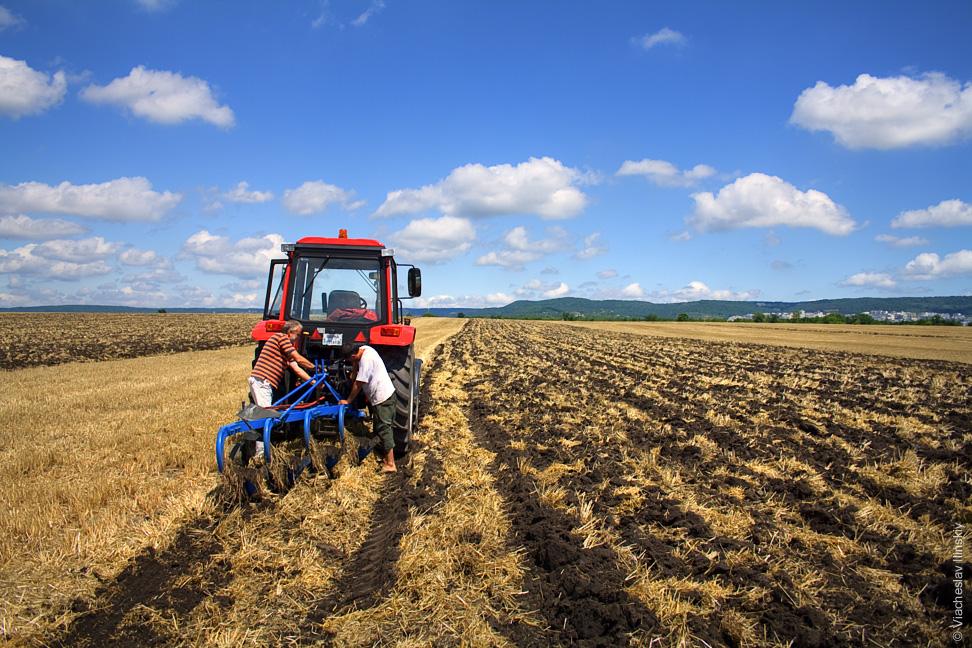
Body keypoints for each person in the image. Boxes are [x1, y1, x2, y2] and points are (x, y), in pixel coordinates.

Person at [339, 344, 398, 473]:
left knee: (384, 428)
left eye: (351, 359)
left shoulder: (366, 361)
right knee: (379, 427)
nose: (351, 362)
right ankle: (383, 456)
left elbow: (359, 384)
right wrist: (354, 370)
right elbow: (356, 364)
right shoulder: (365, 349)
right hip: (381, 396)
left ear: (354, 355)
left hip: (382, 397)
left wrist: (348, 401)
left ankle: (390, 464)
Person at [249, 319, 315, 408]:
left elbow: (297, 369)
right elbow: (298, 359)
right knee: (266, 414)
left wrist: (314, 382)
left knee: (268, 411)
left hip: (265, 382)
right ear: (290, 332)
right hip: (262, 381)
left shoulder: (286, 348)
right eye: (298, 335)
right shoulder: (281, 337)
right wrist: (314, 367)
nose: (298, 338)